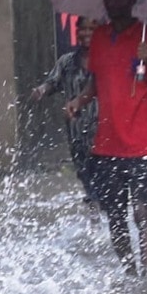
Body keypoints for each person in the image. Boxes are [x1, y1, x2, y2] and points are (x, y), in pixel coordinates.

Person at [63, 0, 147, 278]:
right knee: (115, 218)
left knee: (142, 212)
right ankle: (130, 276)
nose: (113, 2)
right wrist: (79, 100)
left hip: (144, 146)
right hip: (105, 146)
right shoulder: (100, 37)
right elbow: (95, 81)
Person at [30, 17, 100, 208]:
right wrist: (40, 91)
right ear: (76, 32)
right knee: (86, 178)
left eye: (91, 29)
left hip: (103, 132)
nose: (86, 34)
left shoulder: (105, 60)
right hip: (77, 133)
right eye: (82, 29)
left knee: (104, 179)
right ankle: (95, 227)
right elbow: (52, 82)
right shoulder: (67, 62)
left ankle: (107, 222)